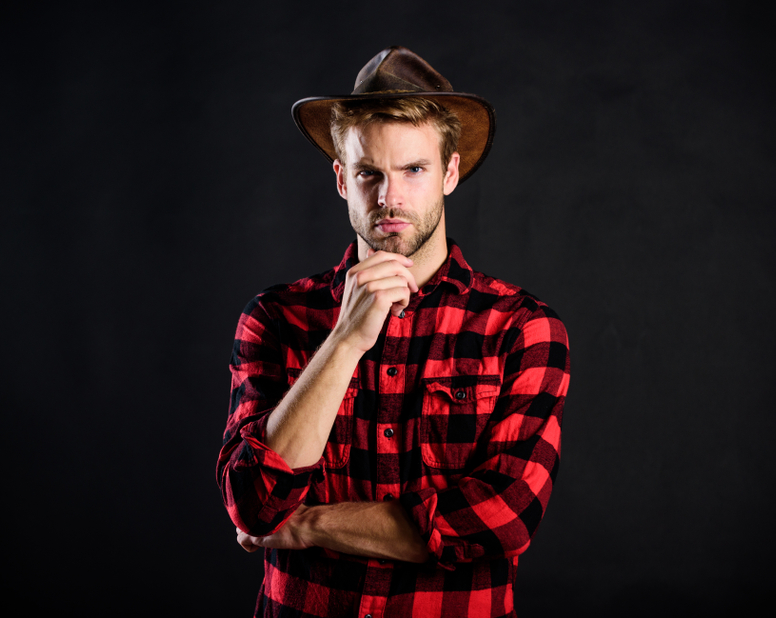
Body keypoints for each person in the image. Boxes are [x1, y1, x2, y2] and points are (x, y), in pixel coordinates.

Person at [217, 46, 570, 618]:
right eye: (369, 174)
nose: (389, 198)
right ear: (341, 179)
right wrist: (344, 342)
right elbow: (255, 506)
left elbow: (502, 518)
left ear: (450, 173)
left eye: (414, 169)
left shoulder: (521, 328)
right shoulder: (276, 317)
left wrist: (309, 525)